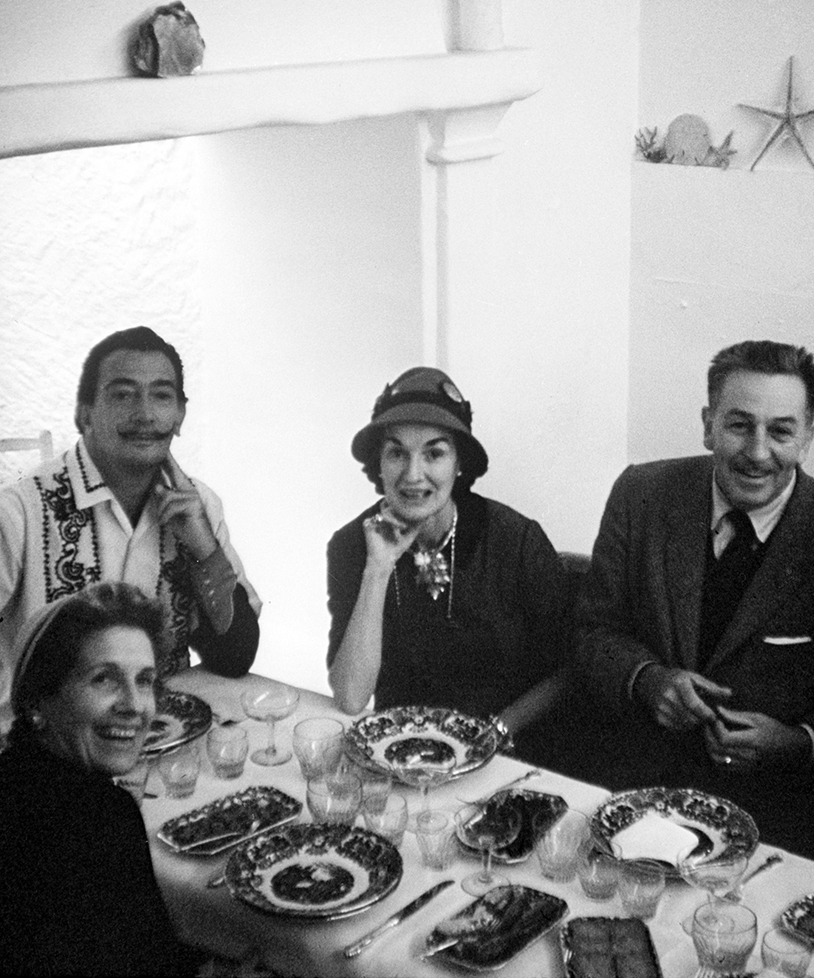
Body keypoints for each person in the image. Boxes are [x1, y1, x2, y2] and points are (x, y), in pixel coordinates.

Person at [573, 339, 814, 863]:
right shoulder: (641, 493)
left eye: (780, 430)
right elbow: (591, 630)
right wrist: (647, 680)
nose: (757, 452)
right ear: (708, 424)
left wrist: (798, 741)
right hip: (633, 792)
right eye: (738, 425)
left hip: (776, 818)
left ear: (808, 436)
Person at [0, 326, 261, 733]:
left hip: (163, 741)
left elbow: (235, 657)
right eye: (123, 394)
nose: (145, 414)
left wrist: (204, 548)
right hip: (53, 757)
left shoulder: (199, 507)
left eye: (161, 395)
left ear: (179, 415)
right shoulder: (20, 512)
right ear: (84, 412)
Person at [326, 367, 570, 758]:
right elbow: (352, 697)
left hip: (507, 755)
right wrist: (378, 568)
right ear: (379, 463)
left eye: (434, 453)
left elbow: (571, 667)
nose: (413, 474)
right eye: (396, 453)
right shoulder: (352, 545)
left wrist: (500, 730)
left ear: (460, 463)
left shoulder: (516, 540)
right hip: (401, 756)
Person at [0, 582, 201, 975]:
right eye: (104, 679)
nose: (133, 705)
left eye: (144, 680)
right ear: (39, 699)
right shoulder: (102, 819)